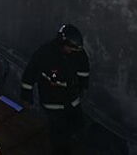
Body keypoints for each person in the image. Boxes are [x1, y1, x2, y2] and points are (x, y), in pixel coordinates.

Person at [21, 24, 91, 155]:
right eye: (70, 47)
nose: (72, 51)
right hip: (52, 102)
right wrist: (26, 96)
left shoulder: (78, 54)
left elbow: (84, 71)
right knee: (59, 136)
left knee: (79, 127)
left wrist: (83, 87)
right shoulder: (45, 54)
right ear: (62, 43)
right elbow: (29, 75)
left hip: (72, 101)